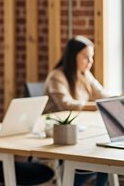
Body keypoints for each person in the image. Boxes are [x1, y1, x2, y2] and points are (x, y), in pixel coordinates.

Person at [44, 36, 111, 186]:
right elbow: (66, 105)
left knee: (103, 156)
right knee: (98, 158)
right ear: (72, 56)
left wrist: (117, 98)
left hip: (81, 131)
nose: (91, 61)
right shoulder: (57, 76)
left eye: (92, 57)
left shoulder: (85, 75)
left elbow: (103, 95)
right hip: (58, 135)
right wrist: (100, 105)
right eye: (86, 57)